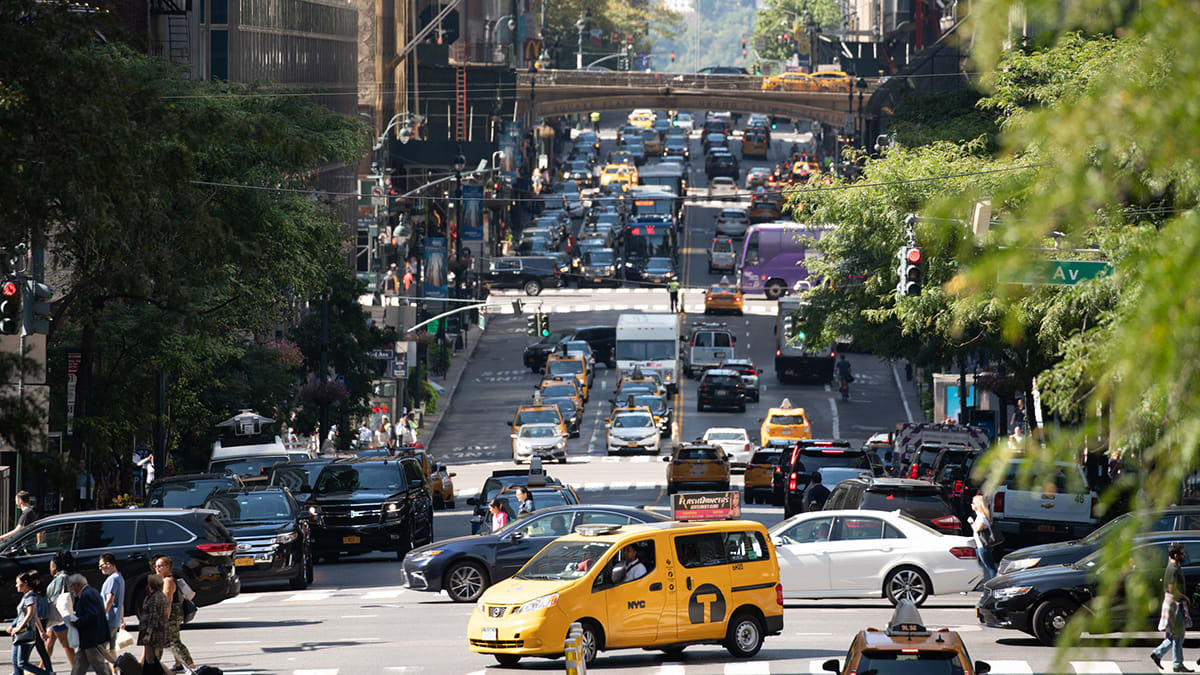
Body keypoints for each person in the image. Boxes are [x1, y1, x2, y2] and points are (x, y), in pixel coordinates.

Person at [1151, 542, 1192, 672]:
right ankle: (1159, 653)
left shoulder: (1175, 566)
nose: (1184, 555)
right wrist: (1185, 597)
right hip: (1174, 604)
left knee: (1178, 635)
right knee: (1177, 635)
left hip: (1175, 604)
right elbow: (1171, 589)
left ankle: (1177, 663)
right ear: (1175, 555)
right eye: (1182, 553)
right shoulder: (1173, 569)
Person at [151, 557, 195, 674]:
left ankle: (191, 666)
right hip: (174, 613)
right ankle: (174, 665)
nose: (156, 569)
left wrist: (164, 618)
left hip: (171, 614)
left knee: (173, 642)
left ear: (167, 567)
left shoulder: (168, 581)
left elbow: (168, 601)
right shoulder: (167, 580)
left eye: (159, 566)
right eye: (155, 566)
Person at [65, 574, 111, 675]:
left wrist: (77, 622)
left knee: (99, 665)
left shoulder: (86, 595)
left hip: (92, 639)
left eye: (71, 586)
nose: (71, 590)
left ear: (77, 585)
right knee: (78, 665)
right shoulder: (92, 591)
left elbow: (92, 615)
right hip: (89, 639)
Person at [7, 571, 51, 675]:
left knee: (22, 663)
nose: (16, 585)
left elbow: (31, 613)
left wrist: (18, 628)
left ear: (25, 583)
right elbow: (35, 616)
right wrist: (41, 631)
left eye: (18, 583)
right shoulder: (26, 596)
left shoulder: (30, 596)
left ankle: (47, 674)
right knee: (18, 662)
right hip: (21, 632)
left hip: (24, 633)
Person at [44, 552, 74, 670]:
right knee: (49, 644)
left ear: (55, 565)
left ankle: (77, 670)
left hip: (58, 617)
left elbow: (55, 598)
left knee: (66, 645)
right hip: (57, 617)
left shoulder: (61, 578)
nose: (50, 567)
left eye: (51, 564)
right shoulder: (63, 577)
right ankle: (41, 669)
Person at [138, 575, 170, 672]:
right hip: (160, 632)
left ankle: (169, 673)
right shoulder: (162, 596)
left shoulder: (155, 598)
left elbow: (153, 617)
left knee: (151, 659)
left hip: (154, 634)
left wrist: (148, 634)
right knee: (153, 659)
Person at [97, 554, 123, 662]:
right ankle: (117, 670)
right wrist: (121, 618)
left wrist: (101, 616)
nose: (100, 568)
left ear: (108, 564)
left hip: (108, 619)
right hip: (115, 620)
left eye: (101, 565)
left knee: (99, 649)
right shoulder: (120, 577)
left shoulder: (112, 579)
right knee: (111, 650)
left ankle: (113, 668)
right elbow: (121, 602)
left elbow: (109, 600)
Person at [969, 495, 998, 582]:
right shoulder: (980, 516)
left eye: (973, 503)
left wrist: (971, 522)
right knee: (982, 566)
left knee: (990, 567)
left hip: (983, 546)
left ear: (977, 505)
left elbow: (977, 529)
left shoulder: (982, 517)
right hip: (980, 546)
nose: (971, 504)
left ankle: (994, 583)